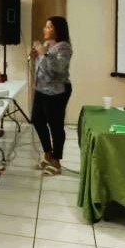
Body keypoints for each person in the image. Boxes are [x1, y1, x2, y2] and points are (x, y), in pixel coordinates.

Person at [29, 16, 74, 175]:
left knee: (55, 125)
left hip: (57, 91)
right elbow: (42, 69)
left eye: (49, 27)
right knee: (36, 120)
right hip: (41, 89)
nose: (44, 29)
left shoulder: (64, 47)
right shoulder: (47, 45)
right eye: (45, 26)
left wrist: (44, 54)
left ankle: (56, 161)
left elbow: (59, 69)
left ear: (57, 29)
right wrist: (37, 55)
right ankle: (47, 154)